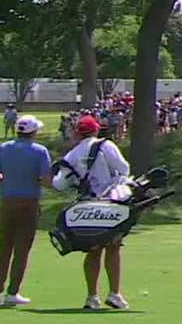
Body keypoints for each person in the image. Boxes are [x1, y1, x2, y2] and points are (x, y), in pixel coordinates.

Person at [57, 114, 133, 310]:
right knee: (113, 247)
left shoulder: (72, 154)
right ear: (96, 130)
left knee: (92, 250)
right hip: (110, 203)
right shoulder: (106, 146)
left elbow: (60, 183)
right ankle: (114, 294)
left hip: (87, 205)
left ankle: (92, 297)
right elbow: (124, 169)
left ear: (77, 133)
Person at [0, 115, 52, 306]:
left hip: (7, 201)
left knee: (4, 247)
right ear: (33, 132)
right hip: (28, 202)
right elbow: (46, 180)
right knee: (22, 249)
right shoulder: (40, 151)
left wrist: (7, 180)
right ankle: (12, 292)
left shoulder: (4, 148)